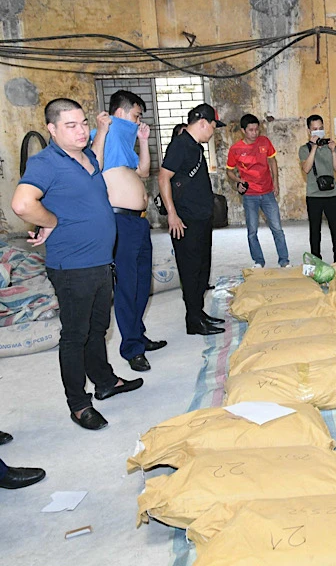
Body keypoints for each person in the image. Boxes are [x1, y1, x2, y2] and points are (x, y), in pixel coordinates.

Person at [12, 98, 143, 430]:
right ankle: (78, 404)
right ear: (52, 129)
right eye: (71, 125)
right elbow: (23, 204)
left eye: (83, 122)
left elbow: (95, 160)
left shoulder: (85, 158)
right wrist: (51, 221)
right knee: (75, 335)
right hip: (73, 266)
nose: (80, 130)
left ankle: (104, 381)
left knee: (98, 329)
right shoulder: (45, 163)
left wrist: (99, 132)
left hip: (100, 262)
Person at [92, 90, 166, 374]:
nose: (138, 122)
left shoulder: (124, 143)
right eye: (136, 116)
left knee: (141, 284)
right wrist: (104, 127)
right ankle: (131, 349)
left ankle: (138, 335)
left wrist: (144, 142)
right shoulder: (108, 136)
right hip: (120, 222)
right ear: (120, 114)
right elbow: (93, 164)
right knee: (127, 286)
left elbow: (144, 173)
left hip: (138, 221)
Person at [158, 103, 226, 336]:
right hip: (186, 220)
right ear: (203, 123)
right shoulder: (181, 144)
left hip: (200, 218)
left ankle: (198, 312)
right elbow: (163, 178)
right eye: (214, 126)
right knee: (190, 270)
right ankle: (193, 321)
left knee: (201, 269)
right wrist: (172, 214)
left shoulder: (195, 146)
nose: (213, 131)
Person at [226, 114, 289, 268]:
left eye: (256, 130)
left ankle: (284, 260)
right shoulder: (236, 149)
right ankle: (258, 261)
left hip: (267, 192)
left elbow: (272, 161)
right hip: (250, 196)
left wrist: (276, 182)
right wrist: (238, 181)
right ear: (243, 130)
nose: (254, 133)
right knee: (252, 231)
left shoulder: (265, 142)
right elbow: (229, 171)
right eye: (251, 130)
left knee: (277, 228)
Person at [299, 114, 336, 262]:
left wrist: (332, 151)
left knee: (335, 230)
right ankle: (317, 261)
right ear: (309, 131)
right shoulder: (304, 149)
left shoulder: (331, 147)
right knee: (315, 231)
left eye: (321, 128)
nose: (318, 132)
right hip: (314, 195)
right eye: (315, 129)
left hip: (332, 194)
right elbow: (306, 168)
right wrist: (314, 148)